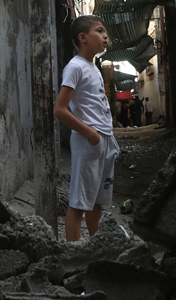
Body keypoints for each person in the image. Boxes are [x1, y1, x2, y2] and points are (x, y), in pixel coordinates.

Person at [53, 15, 120, 242]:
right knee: (78, 203)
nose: (105, 36)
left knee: (96, 203)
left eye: (104, 32)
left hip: (103, 139)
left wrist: (105, 136)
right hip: (89, 140)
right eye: (99, 31)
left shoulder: (93, 67)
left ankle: (95, 248)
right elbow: (60, 110)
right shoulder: (75, 67)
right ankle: (73, 253)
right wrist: (91, 134)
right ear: (83, 37)